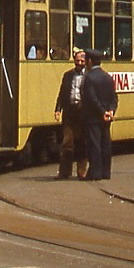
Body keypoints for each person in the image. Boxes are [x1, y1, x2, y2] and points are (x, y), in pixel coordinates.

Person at [81, 48, 118, 180]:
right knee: (105, 144)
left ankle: (95, 173)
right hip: (106, 117)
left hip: (93, 117)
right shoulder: (107, 77)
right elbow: (114, 97)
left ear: (90, 61)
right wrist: (110, 111)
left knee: (94, 145)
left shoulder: (89, 78)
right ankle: (106, 172)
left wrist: (102, 112)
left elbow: (91, 98)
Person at [53, 48, 88, 179]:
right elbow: (62, 94)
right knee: (67, 143)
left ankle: (81, 171)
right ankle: (64, 171)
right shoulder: (68, 75)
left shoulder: (89, 75)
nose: (79, 63)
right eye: (77, 60)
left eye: (82, 61)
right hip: (69, 113)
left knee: (82, 143)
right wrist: (58, 109)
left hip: (83, 113)